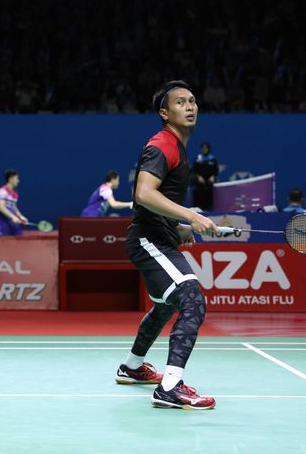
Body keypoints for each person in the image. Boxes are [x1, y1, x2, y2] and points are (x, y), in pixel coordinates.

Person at [115, 80, 218, 410]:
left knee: (165, 305)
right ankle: (170, 387)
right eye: (180, 103)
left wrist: (177, 225)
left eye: (192, 101)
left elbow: (148, 202)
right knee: (192, 299)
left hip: (160, 237)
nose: (189, 106)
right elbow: (143, 194)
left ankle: (131, 368)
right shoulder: (163, 145)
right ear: (164, 112)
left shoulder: (178, 147)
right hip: (148, 240)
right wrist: (190, 214)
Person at [0, 169, 28, 235]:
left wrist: (20, 216)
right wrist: (13, 217)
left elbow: (14, 207)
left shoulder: (15, 193)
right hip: (3, 222)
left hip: (13, 222)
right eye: (17, 178)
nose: (18, 181)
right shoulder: (2, 191)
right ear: (11, 179)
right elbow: (1, 207)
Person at [191, 141, 218, 211]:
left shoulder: (213, 159)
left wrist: (213, 177)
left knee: (210, 187)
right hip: (199, 180)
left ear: (208, 149)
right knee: (199, 186)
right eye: (203, 148)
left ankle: (208, 208)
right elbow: (193, 171)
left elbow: (216, 171)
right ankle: (198, 208)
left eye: (205, 148)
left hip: (209, 181)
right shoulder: (197, 159)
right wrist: (198, 177)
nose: (204, 149)